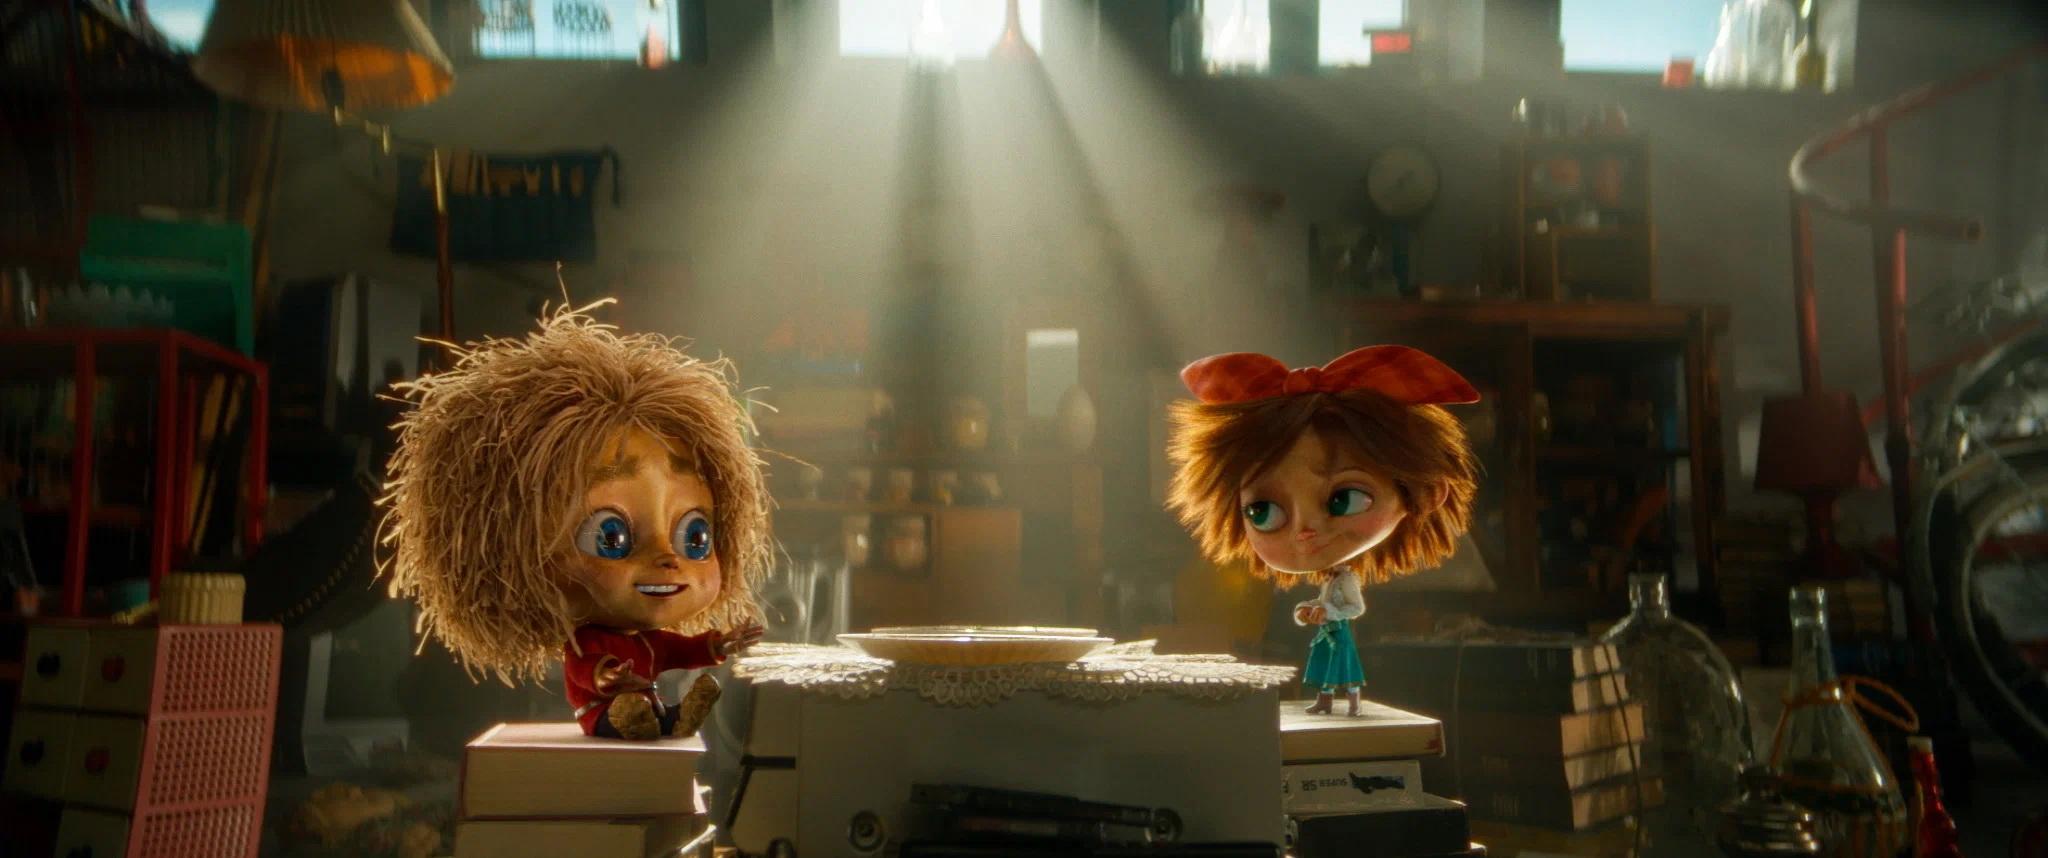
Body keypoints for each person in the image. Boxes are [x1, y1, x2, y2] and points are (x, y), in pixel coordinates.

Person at [381, 302, 769, 739]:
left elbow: (682, 650)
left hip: (644, 703)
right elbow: (587, 671)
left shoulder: (650, 642)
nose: (667, 558)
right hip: (601, 712)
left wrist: (719, 644)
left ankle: (669, 718)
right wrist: (607, 678)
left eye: (695, 536)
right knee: (628, 715)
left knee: (661, 718)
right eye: (611, 535)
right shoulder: (590, 644)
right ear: (509, 548)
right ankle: (636, 717)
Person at [1167, 345, 1479, 715]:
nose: (1305, 530)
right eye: (1263, 512)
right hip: (1311, 638)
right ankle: (1329, 700)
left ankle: (1345, 700)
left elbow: (1354, 606)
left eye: (1343, 499)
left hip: (1335, 633)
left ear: (1425, 492)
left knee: (1342, 669)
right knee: (1324, 670)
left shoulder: (1344, 581)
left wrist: (1326, 610)